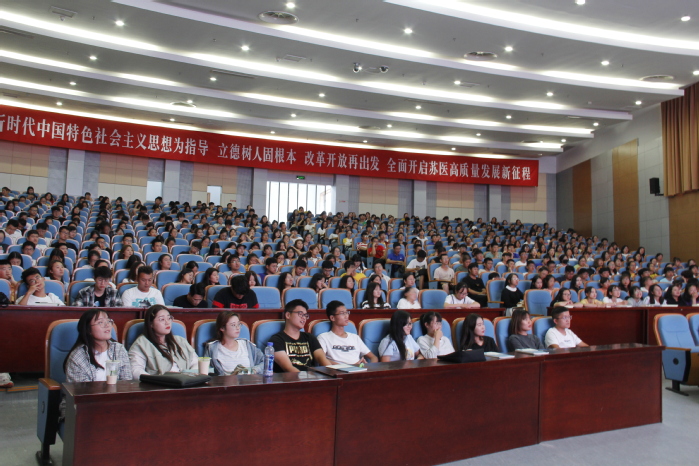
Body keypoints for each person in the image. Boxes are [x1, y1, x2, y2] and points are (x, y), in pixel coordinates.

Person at [128, 305, 198, 378]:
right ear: (151, 324)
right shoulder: (141, 344)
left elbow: (196, 363)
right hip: (158, 383)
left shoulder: (181, 341)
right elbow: (135, 371)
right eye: (162, 319)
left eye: (169, 318)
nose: (167, 322)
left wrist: (189, 377)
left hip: (185, 381)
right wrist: (155, 380)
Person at [64, 309, 131, 382]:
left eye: (108, 321)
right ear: (88, 329)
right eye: (100, 322)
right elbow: (81, 388)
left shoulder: (118, 349)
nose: (107, 325)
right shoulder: (78, 356)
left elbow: (126, 381)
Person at [269, 299, 331, 372]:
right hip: (291, 378)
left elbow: (322, 359)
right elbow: (288, 368)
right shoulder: (276, 340)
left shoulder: (310, 338)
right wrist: (305, 378)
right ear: (288, 315)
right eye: (300, 314)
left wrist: (333, 373)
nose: (304, 318)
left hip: (312, 376)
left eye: (305, 315)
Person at [317, 301, 377, 365]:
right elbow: (322, 359)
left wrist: (368, 366)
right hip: (337, 370)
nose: (346, 316)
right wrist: (350, 367)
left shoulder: (355, 337)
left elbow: (373, 357)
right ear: (332, 318)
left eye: (347, 312)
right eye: (342, 313)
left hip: (359, 369)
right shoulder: (323, 337)